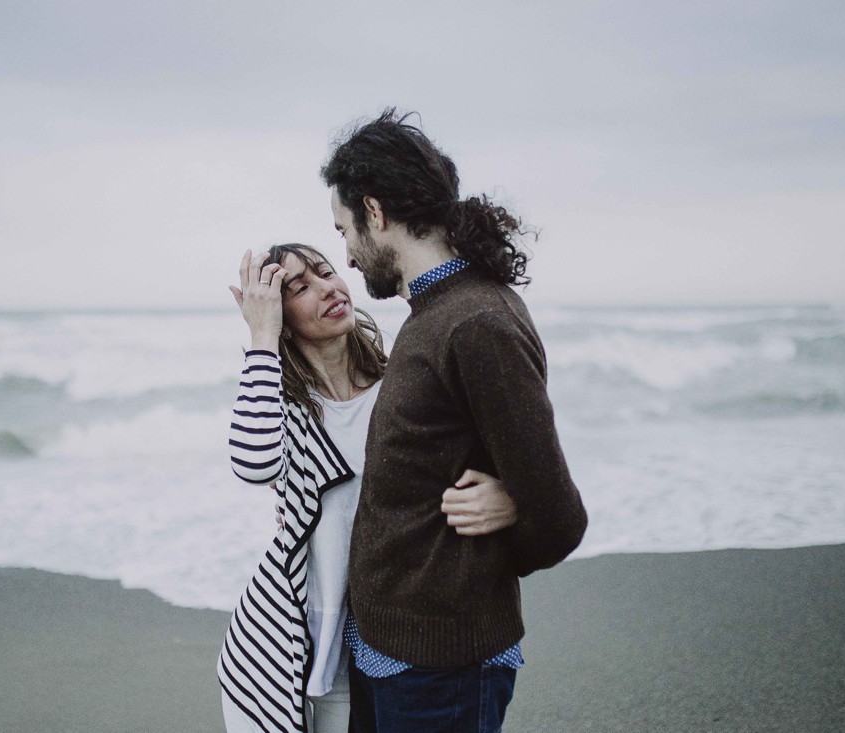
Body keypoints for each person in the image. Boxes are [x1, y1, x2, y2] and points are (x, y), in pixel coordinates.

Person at [319, 109, 589, 733]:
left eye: (345, 231)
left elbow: (561, 519)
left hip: (443, 668)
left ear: (376, 213)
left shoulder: (476, 323)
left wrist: (514, 513)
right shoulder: (434, 312)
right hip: (395, 656)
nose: (349, 259)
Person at [217, 243, 519, 733]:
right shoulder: (286, 405)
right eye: (299, 287)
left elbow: (488, 458)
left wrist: (511, 497)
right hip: (287, 636)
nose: (327, 289)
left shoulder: (399, 384)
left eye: (326, 272)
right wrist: (262, 338)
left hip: (376, 636)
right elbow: (253, 464)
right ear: (280, 315)